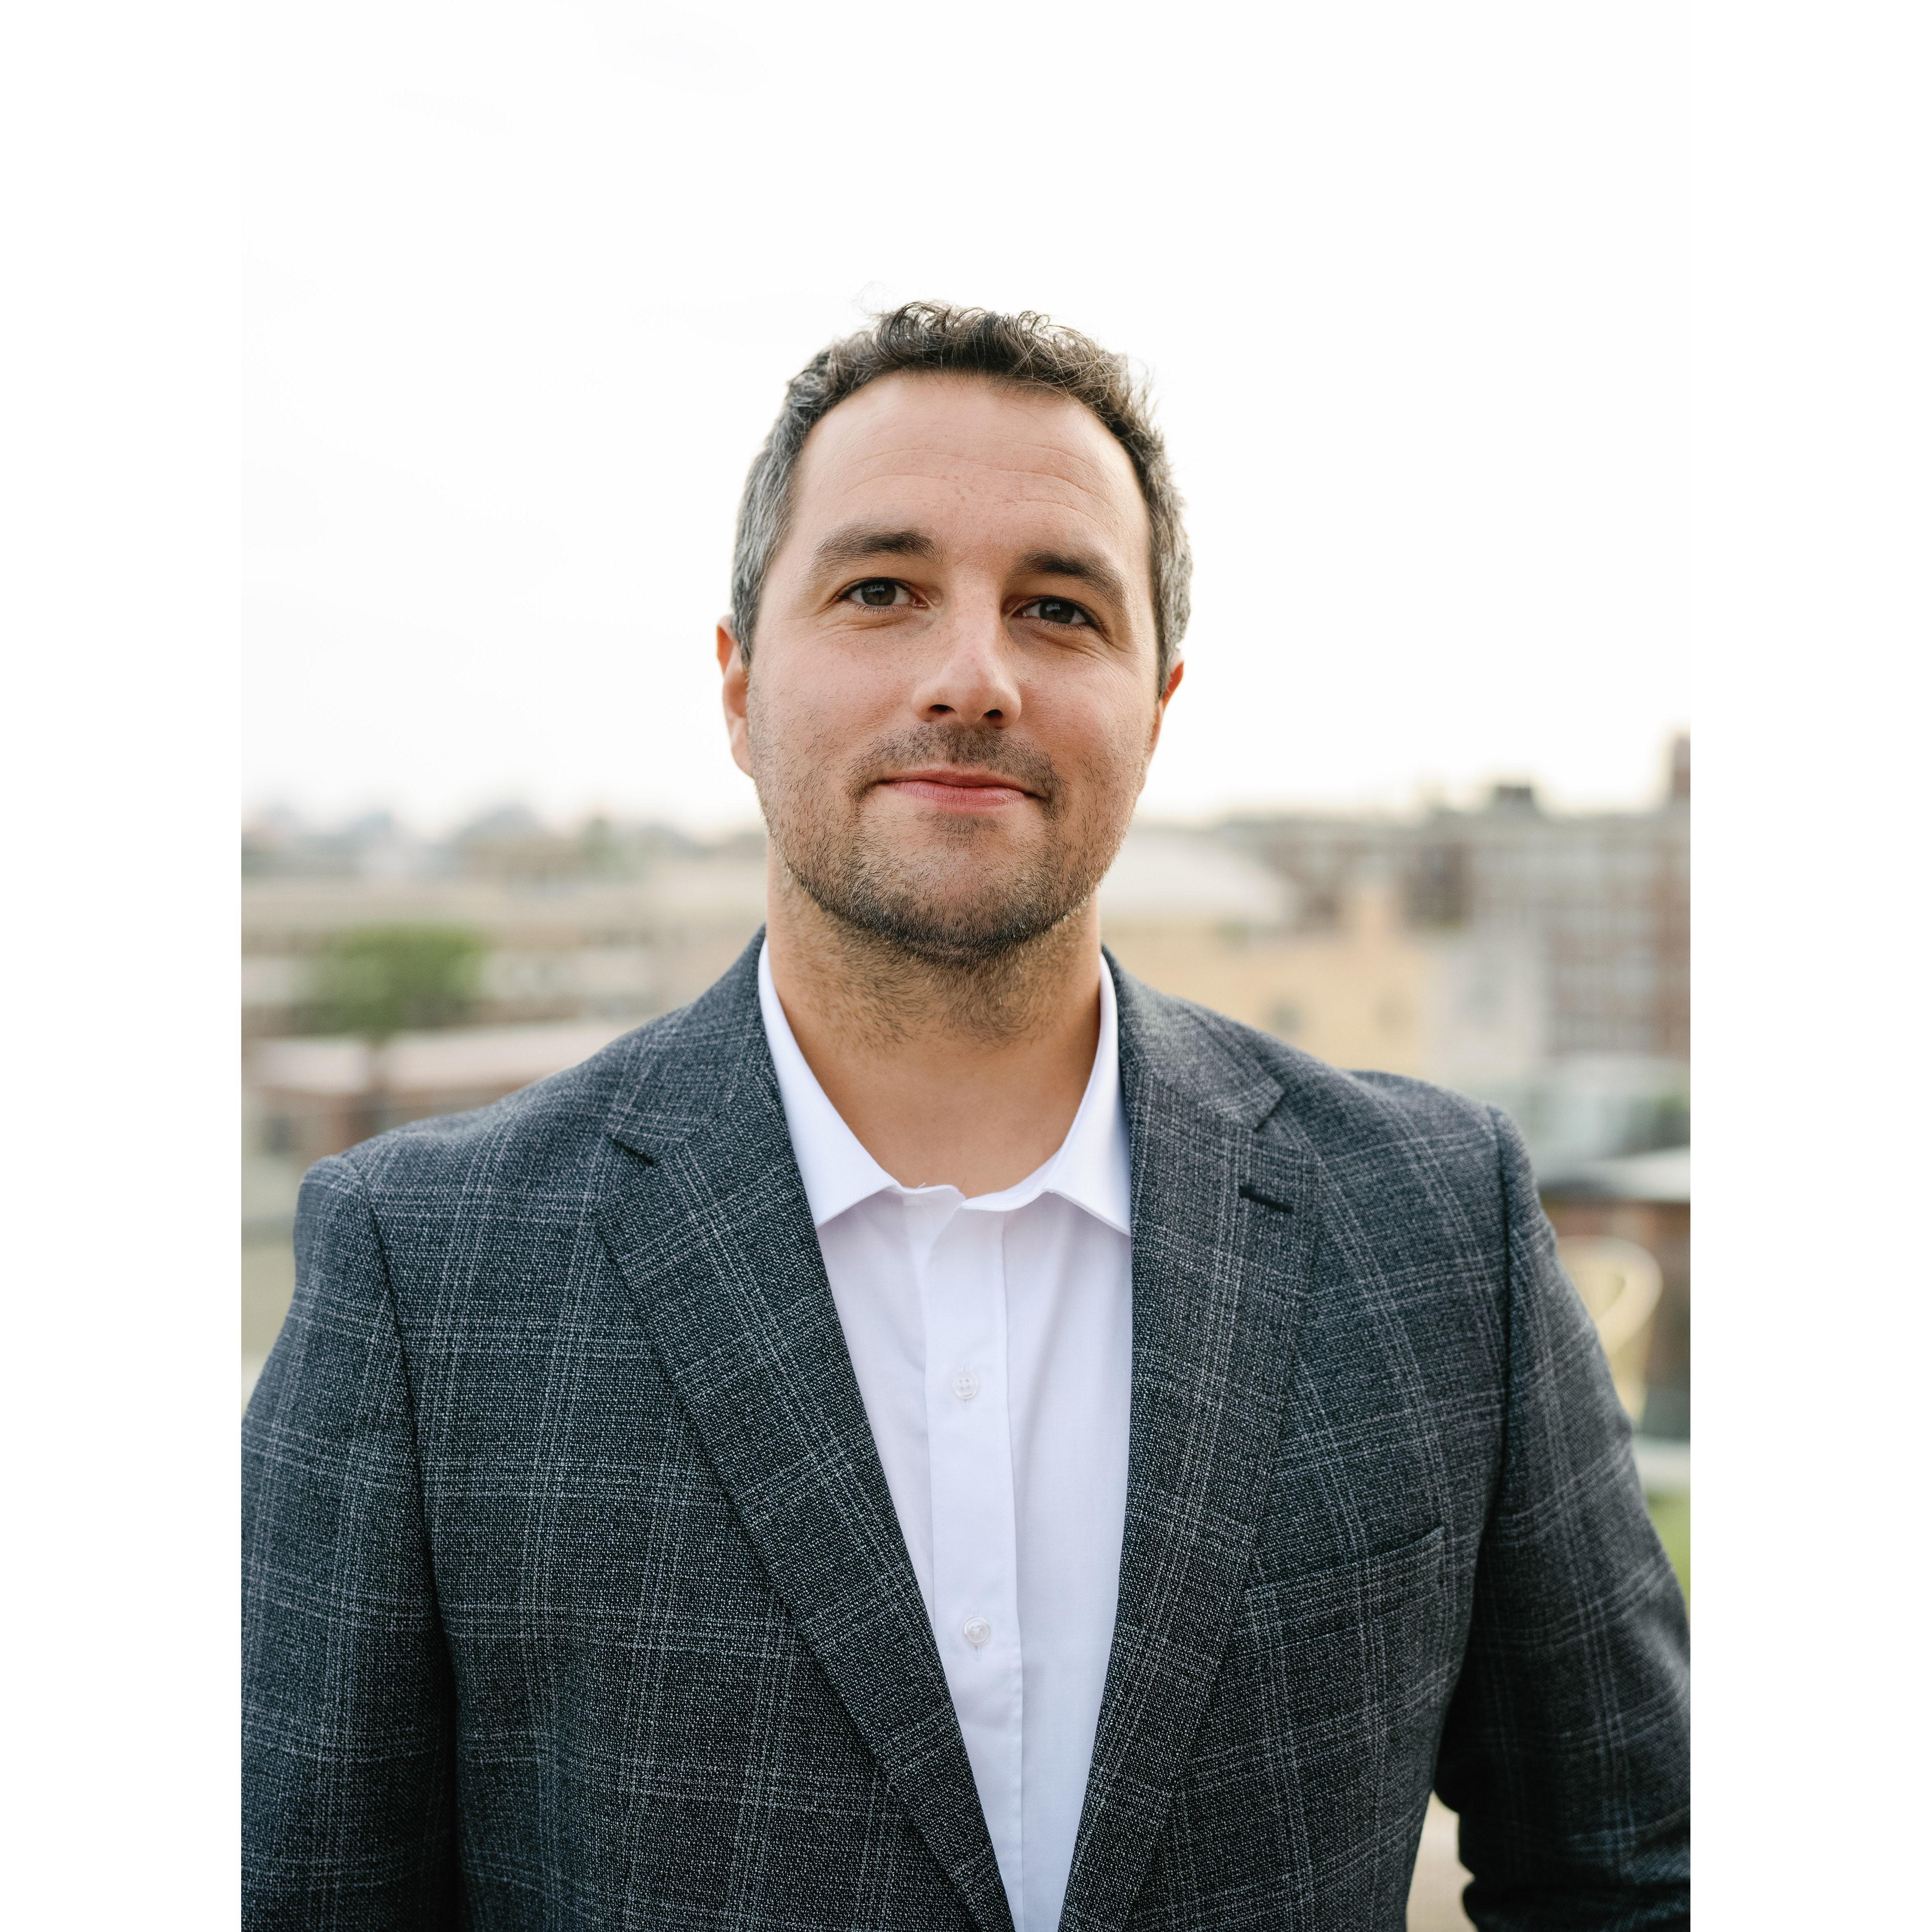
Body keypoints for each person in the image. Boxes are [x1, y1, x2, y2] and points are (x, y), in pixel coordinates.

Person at [242, 303, 1690, 1931]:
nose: (974, 677)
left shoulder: (1437, 1227)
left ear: (1157, 707)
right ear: (738, 682)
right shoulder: (428, 1272)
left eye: (1060, 610)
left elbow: (1638, 1871)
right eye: (881, 590)